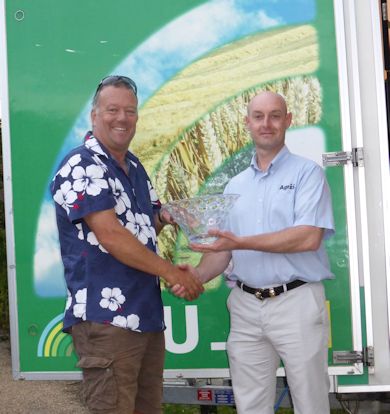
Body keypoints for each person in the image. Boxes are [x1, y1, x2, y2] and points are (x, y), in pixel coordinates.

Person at [51, 75, 203, 414]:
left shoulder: (133, 166)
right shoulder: (82, 165)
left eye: (130, 111)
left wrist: (164, 218)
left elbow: (138, 229)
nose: (122, 118)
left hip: (145, 316)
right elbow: (111, 236)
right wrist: (172, 273)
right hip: (107, 322)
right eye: (113, 110)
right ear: (94, 115)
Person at [183, 91, 335, 414]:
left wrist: (238, 243)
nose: (266, 124)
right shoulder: (234, 186)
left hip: (296, 303)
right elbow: (222, 254)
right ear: (247, 123)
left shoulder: (308, 174)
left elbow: (307, 237)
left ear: (288, 121)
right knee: (250, 406)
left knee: (311, 405)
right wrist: (193, 276)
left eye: (275, 115)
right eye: (258, 116)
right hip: (245, 307)